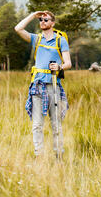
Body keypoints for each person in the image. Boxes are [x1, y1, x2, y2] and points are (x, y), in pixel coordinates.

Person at [14, 10, 72, 159]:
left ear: (52, 23)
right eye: (40, 20)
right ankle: (39, 156)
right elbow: (18, 28)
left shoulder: (61, 40)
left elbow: (68, 63)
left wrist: (59, 67)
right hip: (38, 86)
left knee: (56, 124)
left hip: (54, 86)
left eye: (46, 20)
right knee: (37, 124)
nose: (42, 22)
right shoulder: (36, 39)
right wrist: (33, 15)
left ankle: (59, 155)